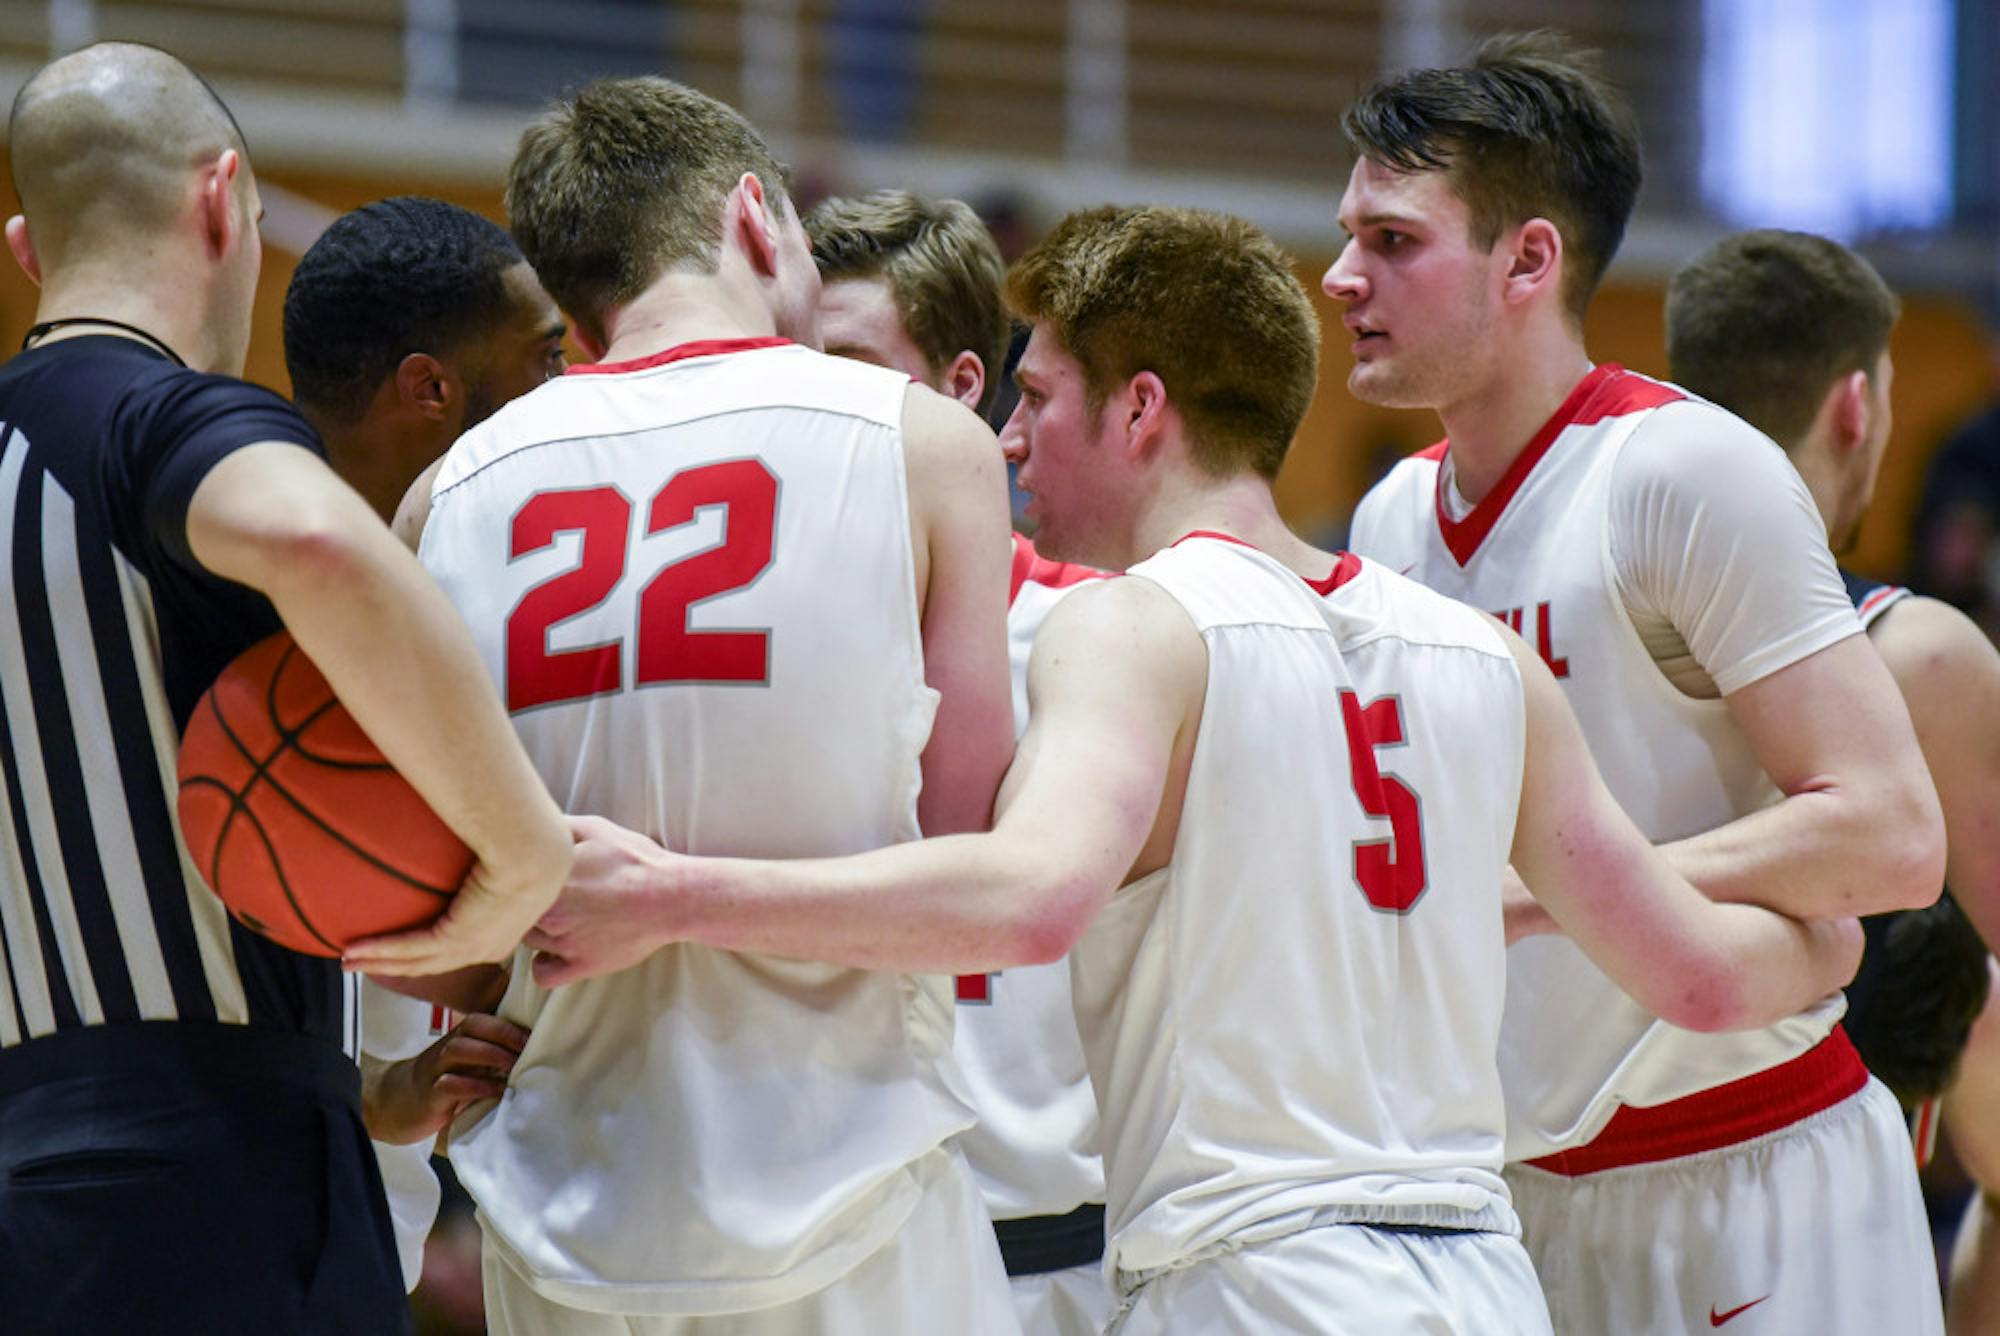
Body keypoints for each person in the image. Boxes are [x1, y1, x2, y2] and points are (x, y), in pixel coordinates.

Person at [529, 203, 1863, 1334]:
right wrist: (1832, 948)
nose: (1008, 441)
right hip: (1480, 1278)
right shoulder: (1475, 656)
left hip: (1256, 1280)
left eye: (1039, 399)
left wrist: (674, 894)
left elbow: (1026, 898)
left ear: (1142, 409)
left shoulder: (1137, 623)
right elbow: (1695, 973)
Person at [341, 77, 1021, 1332]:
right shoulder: (926, 443)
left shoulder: (442, 500)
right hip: (851, 1188)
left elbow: (415, 900)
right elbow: (971, 860)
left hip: (562, 1195)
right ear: (758, 220)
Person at [1330, 33, 1947, 1336]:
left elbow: (1894, 838)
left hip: (1748, 1170)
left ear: (1529, 262)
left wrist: (1556, 889)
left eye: (1393, 242)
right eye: (1349, 237)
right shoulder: (1388, 522)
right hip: (1511, 1194)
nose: (1340, 278)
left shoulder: (1680, 473)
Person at [0, 43, 570, 1335]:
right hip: (218, 1180)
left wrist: (359, 1096)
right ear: (221, 200)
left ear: (30, 247)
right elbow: (317, 541)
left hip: (32, 1169)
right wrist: (524, 853)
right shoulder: (159, 417)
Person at [1664, 226, 2000, 1330]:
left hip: (1559, 1184)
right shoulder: (1916, 655)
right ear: (1855, 405)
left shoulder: (1562, 622)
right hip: (1811, 1205)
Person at [806, 187, 1114, 1336]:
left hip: (1059, 1256)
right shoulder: (751, 645)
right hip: (823, 1256)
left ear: (961, 391)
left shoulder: (1111, 635)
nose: (802, 403)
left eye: (842, 364)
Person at [282, 194, 567, 1292]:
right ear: (430, 389)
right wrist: (372, 1094)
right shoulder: (262, 618)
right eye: (544, 358)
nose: (567, 389)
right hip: (240, 1228)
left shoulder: (473, 590)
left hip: (377, 1241)